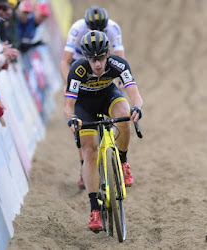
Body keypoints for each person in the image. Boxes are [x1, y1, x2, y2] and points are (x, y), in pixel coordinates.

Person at [63, 30, 143, 231]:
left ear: (108, 53)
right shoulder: (77, 70)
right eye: (92, 59)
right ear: (85, 57)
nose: (97, 64)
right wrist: (72, 119)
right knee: (89, 151)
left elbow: (135, 95)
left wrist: (137, 108)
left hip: (108, 96)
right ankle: (94, 209)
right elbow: (68, 107)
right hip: (84, 105)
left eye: (100, 58)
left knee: (124, 115)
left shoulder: (118, 64)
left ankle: (123, 162)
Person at [61, 6, 125, 189]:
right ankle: (84, 165)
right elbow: (65, 61)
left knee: (115, 101)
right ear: (86, 26)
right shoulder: (77, 28)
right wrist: (69, 84)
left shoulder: (113, 28)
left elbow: (120, 58)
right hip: (80, 65)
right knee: (79, 122)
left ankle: (112, 145)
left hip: (101, 67)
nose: (97, 32)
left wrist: (120, 81)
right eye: (92, 30)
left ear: (106, 26)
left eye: (101, 30)